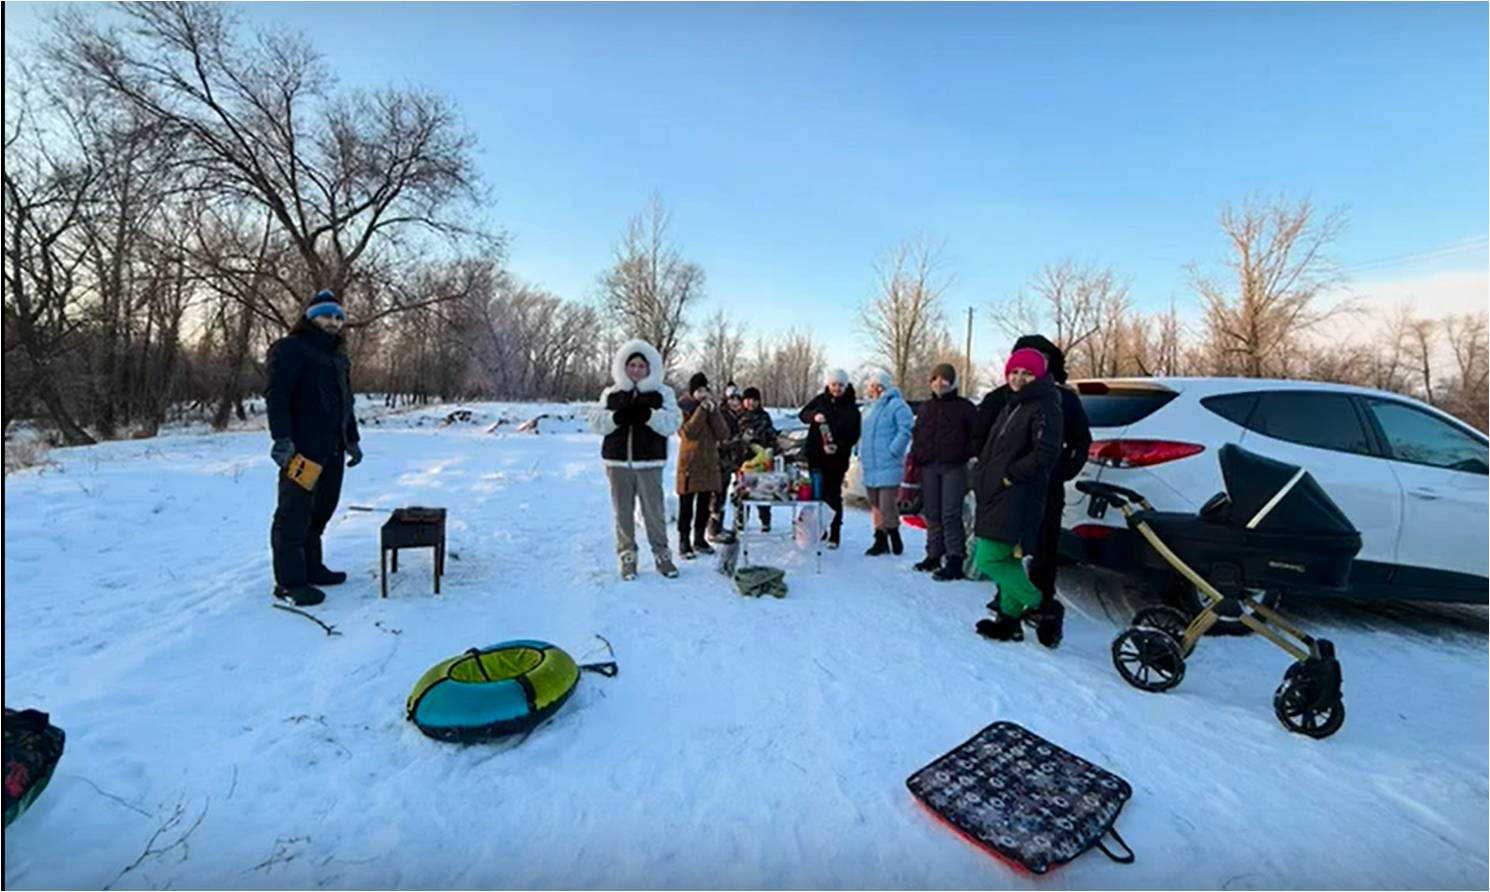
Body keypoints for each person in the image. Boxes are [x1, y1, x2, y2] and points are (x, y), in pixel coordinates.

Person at [972, 335, 1092, 646]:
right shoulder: (1003, 397)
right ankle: (1009, 618)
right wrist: (987, 473)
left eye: (1034, 363)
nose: (1020, 376)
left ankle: (1044, 609)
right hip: (1003, 487)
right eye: (1016, 368)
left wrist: (1060, 473)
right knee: (1006, 553)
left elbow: (1076, 443)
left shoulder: (1058, 400)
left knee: (1033, 552)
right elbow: (981, 435)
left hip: (1036, 487)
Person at [265, 289, 363, 607]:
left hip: (332, 448)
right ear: (311, 317)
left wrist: (352, 440)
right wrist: (282, 440)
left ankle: (312, 568)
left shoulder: (337, 357)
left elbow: (345, 402)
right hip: (303, 450)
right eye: (326, 316)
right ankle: (290, 582)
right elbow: (276, 395)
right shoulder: (291, 349)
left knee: (321, 512)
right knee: (293, 515)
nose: (333, 322)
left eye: (338, 317)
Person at [589, 339, 682, 581]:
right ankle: (627, 556)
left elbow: (673, 422)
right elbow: (596, 422)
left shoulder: (663, 393)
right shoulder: (611, 393)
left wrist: (649, 415)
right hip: (617, 463)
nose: (637, 370)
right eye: (633, 365)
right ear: (624, 367)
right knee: (623, 512)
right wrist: (616, 418)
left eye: (642, 366)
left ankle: (662, 555)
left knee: (654, 512)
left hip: (649, 462)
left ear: (650, 368)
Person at [910, 363, 977, 580]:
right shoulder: (926, 407)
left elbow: (975, 437)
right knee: (932, 513)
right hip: (929, 466)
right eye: (936, 378)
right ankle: (933, 555)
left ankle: (955, 558)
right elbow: (918, 434)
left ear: (952, 382)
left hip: (954, 467)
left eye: (945, 379)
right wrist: (918, 454)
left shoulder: (964, 407)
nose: (940, 383)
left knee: (950, 514)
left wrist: (964, 453)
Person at [799, 369, 861, 548]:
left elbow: (853, 434)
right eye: (834, 384)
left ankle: (835, 533)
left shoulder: (851, 408)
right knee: (817, 494)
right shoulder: (820, 400)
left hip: (837, 459)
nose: (836, 388)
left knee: (833, 496)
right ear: (828, 385)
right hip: (816, 456)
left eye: (840, 385)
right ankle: (820, 529)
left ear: (846, 386)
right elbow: (802, 414)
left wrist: (838, 446)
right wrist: (813, 417)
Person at [858, 369, 915, 556]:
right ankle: (880, 539)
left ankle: (894, 535)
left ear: (885, 387)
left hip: (888, 463)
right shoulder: (868, 409)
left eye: (878, 386)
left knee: (887, 504)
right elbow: (863, 435)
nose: (874, 390)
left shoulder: (897, 405)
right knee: (874, 504)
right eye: (872, 386)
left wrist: (894, 450)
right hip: (870, 464)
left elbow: (905, 429)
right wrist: (859, 451)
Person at [676, 373, 731, 560]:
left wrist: (713, 411)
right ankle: (684, 541)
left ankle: (699, 539)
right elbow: (688, 432)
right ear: (692, 392)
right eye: (699, 390)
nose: (702, 394)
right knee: (686, 505)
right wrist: (701, 410)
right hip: (690, 464)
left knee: (704, 506)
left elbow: (723, 433)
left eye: (705, 390)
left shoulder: (712, 409)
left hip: (709, 465)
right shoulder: (683, 407)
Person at [735, 386, 778, 532]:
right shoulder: (738, 416)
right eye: (748, 400)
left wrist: (771, 449)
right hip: (743, 461)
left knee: (763, 491)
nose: (751, 403)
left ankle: (765, 520)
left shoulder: (764, 416)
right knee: (742, 491)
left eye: (754, 400)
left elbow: (772, 436)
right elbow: (732, 437)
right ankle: (741, 520)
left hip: (762, 461)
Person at [710, 389, 746, 540]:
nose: (735, 403)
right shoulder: (720, 415)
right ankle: (714, 529)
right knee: (718, 495)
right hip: (722, 460)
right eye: (732, 399)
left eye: (738, 399)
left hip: (740, 461)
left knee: (741, 492)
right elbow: (718, 439)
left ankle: (739, 524)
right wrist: (735, 441)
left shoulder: (743, 415)